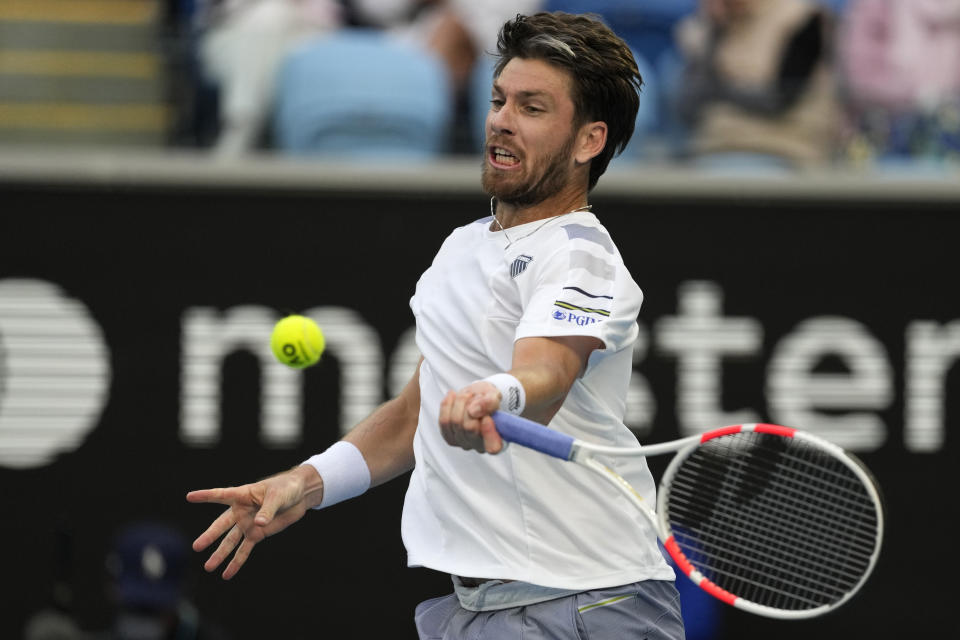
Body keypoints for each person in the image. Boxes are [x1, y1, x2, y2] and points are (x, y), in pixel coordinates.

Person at [187, 11, 684, 640]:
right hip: (477, 611)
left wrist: (498, 395)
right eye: (499, 99)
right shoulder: (461, 248)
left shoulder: (580, 253)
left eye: (532, 108)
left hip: (588, 606)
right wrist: (306, 483)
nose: (501, 119)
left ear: (589, 141)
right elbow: (413, 413)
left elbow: (548, 374)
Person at [673, 0, 840, 169]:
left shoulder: (803, 18)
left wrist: (722, 89)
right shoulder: (715, 24)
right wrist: (715, 33)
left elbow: (778, 101)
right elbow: (688, 105)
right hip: (713, 149)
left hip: (784, 151)